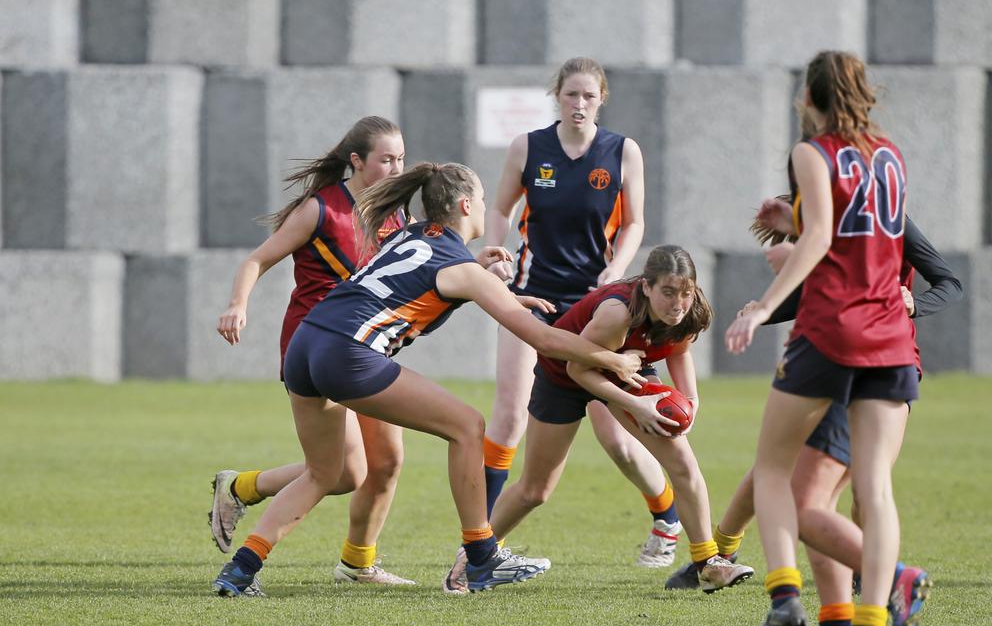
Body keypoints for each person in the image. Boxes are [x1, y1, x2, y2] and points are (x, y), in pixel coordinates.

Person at [212, 161, 648, 597]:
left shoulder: (413, 234)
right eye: (479, 198)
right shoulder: (463, 270)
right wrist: (611, 361)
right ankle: (481, 557)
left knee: (324, 472)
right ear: (464, 204)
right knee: (467, 426)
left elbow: (422, 275)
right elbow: (543, 340)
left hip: (307, 344)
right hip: (347, 352)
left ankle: (240, 570)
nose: (483, 205)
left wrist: (487, 280)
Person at [668, 209, 959, 626]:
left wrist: (911, 302)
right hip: (873, 360)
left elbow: (860, 282)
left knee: (806, 496)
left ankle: (879, 586)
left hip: (851, 362)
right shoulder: (850, 204)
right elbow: (818, 288)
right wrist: (767, 307)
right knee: (809, 490)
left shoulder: (870, 218)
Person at [727, 51, 920, 626]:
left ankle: (785, 596)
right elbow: (855, 229)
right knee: (876, 489)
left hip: (831, 330)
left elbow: (820, 240)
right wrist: (797, 214)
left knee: (772, 471)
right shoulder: (888, 153)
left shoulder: (812, 152)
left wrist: (760, 307)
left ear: (809, 96)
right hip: (891, 336)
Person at [478, 57, 680, 576]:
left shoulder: (622, 151)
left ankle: (667, 520)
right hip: (530, 299)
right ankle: (480, 539)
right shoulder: (528, 147)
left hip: (595, 305)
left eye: (588, 96)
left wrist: (615, 271)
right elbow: (499, 209)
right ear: (558, 96)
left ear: (601, 99)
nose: (579, 104)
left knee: (615, 435)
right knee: (508, 412)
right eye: (571, 94)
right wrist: (495, 250)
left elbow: (635, 222)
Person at [464, 245, 754, 594]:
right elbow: (578, 368)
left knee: (683, 465)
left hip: (629, 370)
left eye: (686, 292)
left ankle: (708, 563)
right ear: (646, 287)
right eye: (668, 292)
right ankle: (472, 560)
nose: (678, 303)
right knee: (535, 490)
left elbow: (679, 349)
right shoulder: (618, 314)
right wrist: (636, 404)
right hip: (565, 377)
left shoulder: (690, 311)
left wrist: (691, 401)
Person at [209, 116, 417, 589]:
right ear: (357, 161)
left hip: (367, 346)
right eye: (386, 159)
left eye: (401, 159)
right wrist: (237, 305)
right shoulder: (321, 209)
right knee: (339, 474)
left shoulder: (396, 213)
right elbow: (257, 259)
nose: (396, 167)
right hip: (317, 349)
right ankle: (245, 530)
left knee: (382, 464)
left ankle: (357, 564)